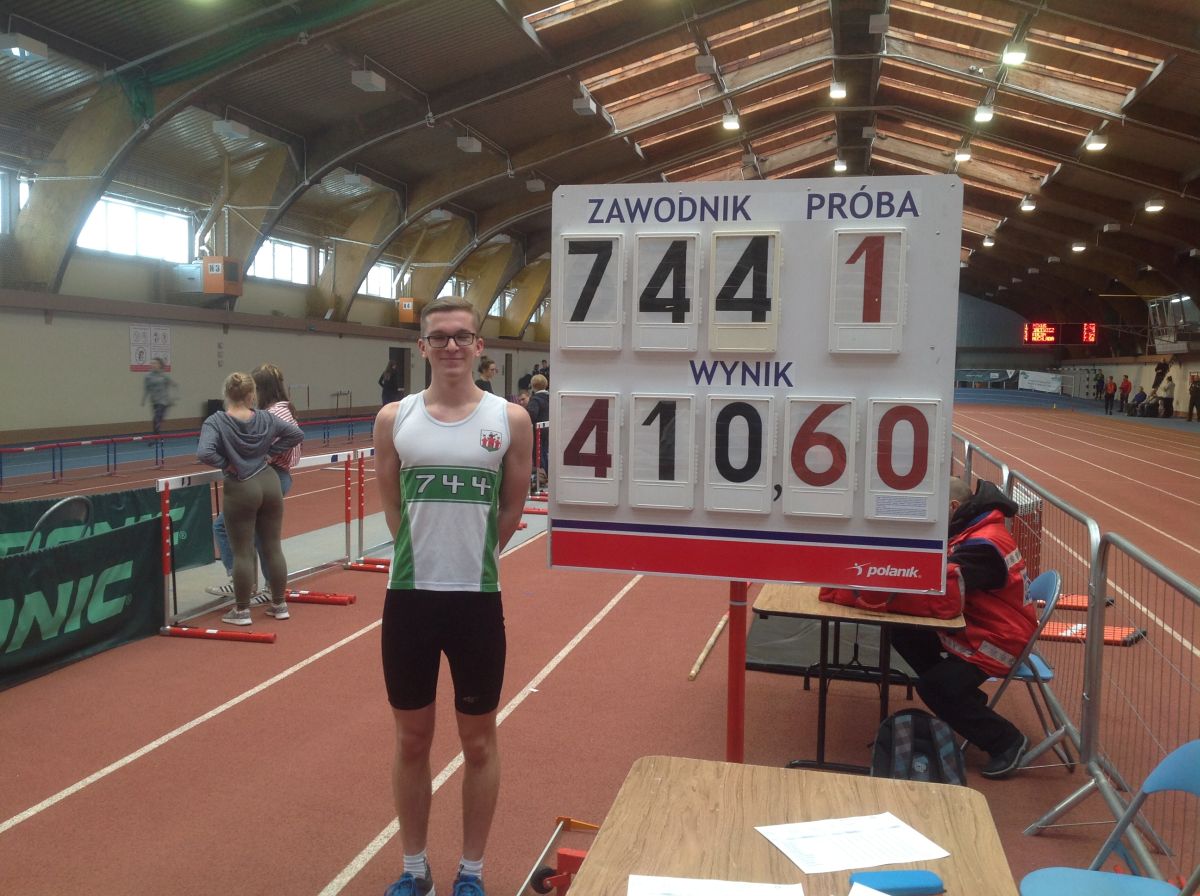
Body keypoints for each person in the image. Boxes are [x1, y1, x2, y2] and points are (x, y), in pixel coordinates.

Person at [372, 297, 532, 896]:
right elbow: (392, 506)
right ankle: (415, 869)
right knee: (411, 740)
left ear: (479, 346)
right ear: (422, 347)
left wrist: (470, 558)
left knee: (478, 742)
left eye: (462, 336)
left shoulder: (510, 420)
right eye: (439, 337)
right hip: (409, 601)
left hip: (475, 603)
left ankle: (472, 872)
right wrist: (425, 554)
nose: (451, 346)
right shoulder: (395, 419)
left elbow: (512, 509)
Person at [889, 477, 1035, 779]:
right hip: (980, 628)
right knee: (902, 632)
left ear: (953, 507)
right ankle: (963, 699)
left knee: (934, 687)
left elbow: (939, 586)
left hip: (999, 641)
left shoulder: (984, 545)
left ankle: (1007, 741)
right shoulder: (972, 530)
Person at [197, 372, 304, 626]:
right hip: (269, 481)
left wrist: (227, 464)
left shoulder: (216, 421)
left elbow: (204, 452)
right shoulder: (266, 418)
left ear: (226, 394)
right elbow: (296, 435)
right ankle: (279, 604)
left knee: (242, 552)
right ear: (251, 395)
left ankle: (242, 610)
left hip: (242, 486)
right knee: (273, 546)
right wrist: (269, 453)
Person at [526, 373, 550, 487]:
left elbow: (532, 414)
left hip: (538, 431)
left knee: (538, 454)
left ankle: (541, 476)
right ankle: (546, 474)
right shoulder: (549, 398)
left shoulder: (535, 400)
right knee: (545, 452)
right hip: (547, 429)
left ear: (533, 386)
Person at [141, 358, 176, 435]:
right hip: (154, 401)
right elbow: (147, 388)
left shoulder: (164, 376)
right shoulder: (148, 376)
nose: (153, 365)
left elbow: (174, 385)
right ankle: (156, 435)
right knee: (155, 419)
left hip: (163, 400)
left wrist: (173, 398)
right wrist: (143, 399)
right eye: (152, 363)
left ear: (160, 365)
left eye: (155, 363)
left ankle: (157, 431)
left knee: (158, 416)